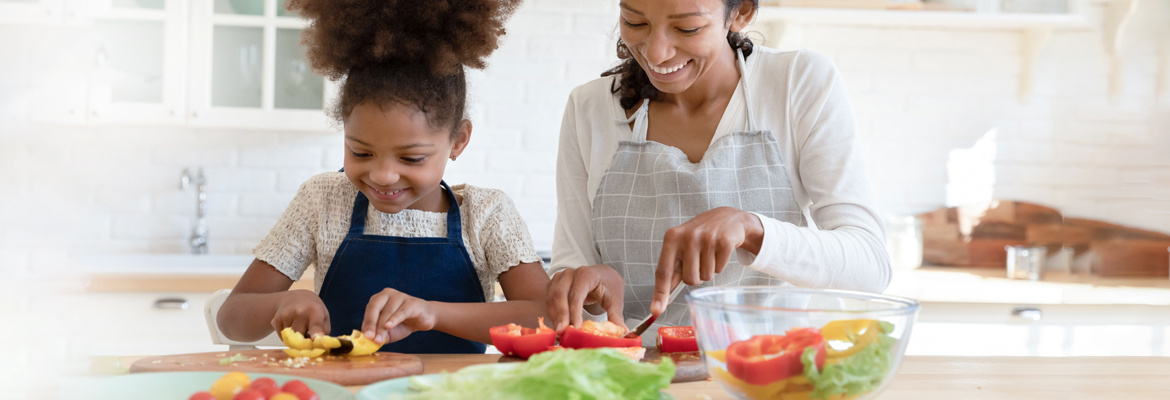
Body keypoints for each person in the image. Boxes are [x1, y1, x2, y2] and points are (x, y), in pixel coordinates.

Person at [217, 0, 547, 354]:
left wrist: (433, 314)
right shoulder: (323, 200)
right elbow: (231, 317)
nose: (384, 175)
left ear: (458, 140)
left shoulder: (486, 215)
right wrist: (282, 303)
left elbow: (546, 319)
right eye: (360, 152)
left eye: (411, 157)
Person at [546, 0, 891, 338]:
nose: (656, 53)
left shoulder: (797, 82)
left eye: (687, 27)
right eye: (635, 22)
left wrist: (752, 230)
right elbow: (570, 270)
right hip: (632, 374)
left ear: (740, 13)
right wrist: (586, 287)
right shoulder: (587, 107)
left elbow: (870, 265)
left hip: (768, 369)